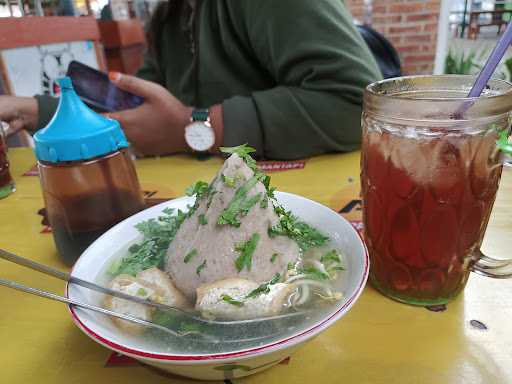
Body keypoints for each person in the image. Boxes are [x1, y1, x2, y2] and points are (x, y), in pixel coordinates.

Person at [0, 0, 381, 160]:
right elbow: (134, 110)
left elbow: (356, 105)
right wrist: (37, 109)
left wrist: (192, 128)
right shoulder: (170, 17)